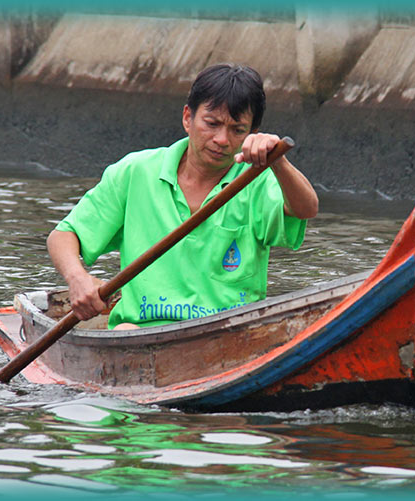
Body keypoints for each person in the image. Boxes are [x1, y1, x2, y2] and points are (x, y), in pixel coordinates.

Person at [46, 63, 319, 330]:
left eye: (237, 130)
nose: (222, 140)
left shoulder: (256, 179)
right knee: (125, 331)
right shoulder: (135, 172)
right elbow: (63, 236)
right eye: (211, 124)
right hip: (140, 333)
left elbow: (306, 209)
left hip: (231, 332)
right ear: (188, 118)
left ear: (252, 134)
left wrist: (277, 161)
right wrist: (77, 278)